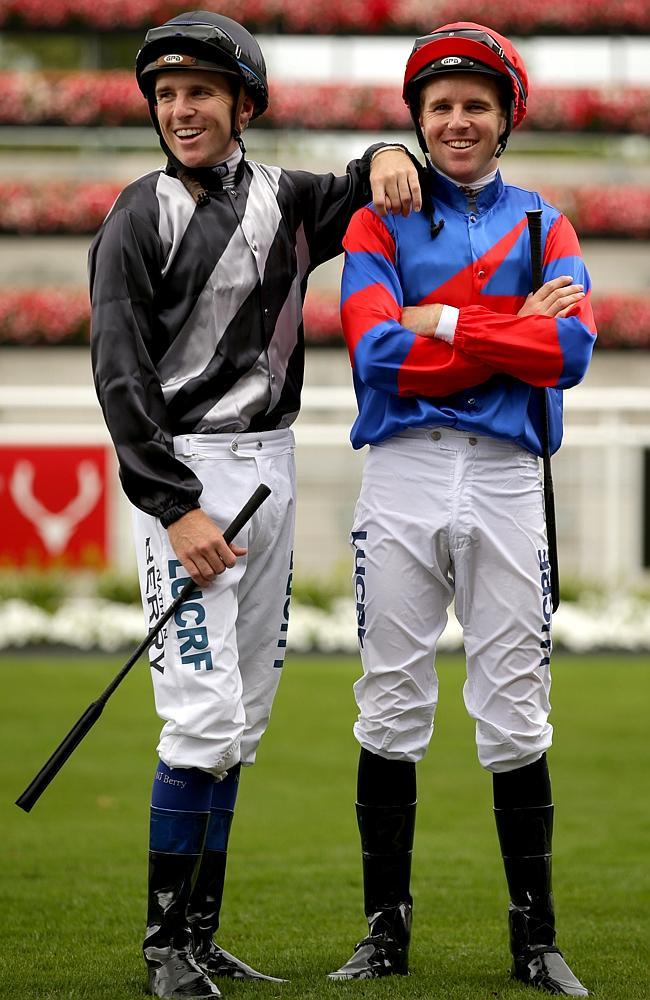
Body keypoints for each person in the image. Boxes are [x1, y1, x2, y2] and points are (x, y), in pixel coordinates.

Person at [88, 11, 421, 1000]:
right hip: (185, 481)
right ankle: (164, 951)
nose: (180, 110)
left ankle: (201, 932)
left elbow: (369, 177)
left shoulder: (289, 200)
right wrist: (172, 505)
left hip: (271, 470)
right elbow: (119, 372)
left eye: (199, 92)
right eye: (165, 94)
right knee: (197, 719)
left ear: (243, 103)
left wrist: (390, 148)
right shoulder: (136, 214)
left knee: (240, 724)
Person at [329, 22, 595, 997]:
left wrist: (436, 318)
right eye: (437, 106)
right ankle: (383, 934)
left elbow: (566, 356)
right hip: (398, 469)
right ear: (417, 118)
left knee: (516, 712)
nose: (455, 120)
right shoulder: (374, 220)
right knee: (390, 702)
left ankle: (534, 942)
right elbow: (371, 352)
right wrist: (506, 330)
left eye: (474, 104)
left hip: (506, 473)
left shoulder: (542, 222)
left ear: (504, 117)